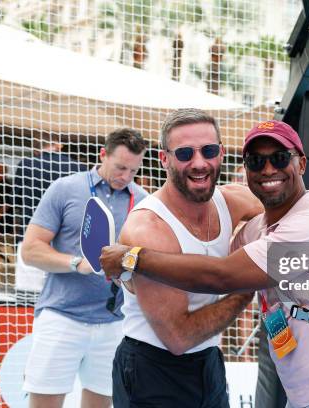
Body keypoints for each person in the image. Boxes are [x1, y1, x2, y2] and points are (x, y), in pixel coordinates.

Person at [101, 120, 309, 408]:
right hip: (305, 388)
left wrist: (134, 259)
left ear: (302, 163)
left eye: (279, 158)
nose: (267, 170)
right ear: (164, 159)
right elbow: (181, 331)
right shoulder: (256, 224)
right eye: (256, 161)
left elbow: (222, 276)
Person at [110, 108, 266, 407]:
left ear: (221, 153)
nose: (199, 163)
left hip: (208, 360)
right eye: (184, 153)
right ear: (164, 159)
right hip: (154, 369)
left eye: (208, 151)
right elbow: (178, 337)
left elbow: (297, 206)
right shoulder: (149, 227)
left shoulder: (230, 199)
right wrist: (250, 284)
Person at [21, 128, 148, 408]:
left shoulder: (143, 201)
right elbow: (30, 250)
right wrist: (75, 263)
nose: (126, 176)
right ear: (103, 154)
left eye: (133, 170)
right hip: (61, 315)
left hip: (115, 322)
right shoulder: (65, 188)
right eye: (120, 167)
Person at [13, 138, 87, 292]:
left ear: (35, 149)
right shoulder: (78, 167)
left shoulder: (26, 165)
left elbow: (16, 200)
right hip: (67, 244)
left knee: (27, 297)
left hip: (31, 238)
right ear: (59, 145)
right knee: (63, 296)